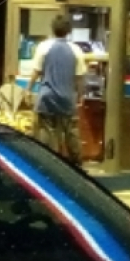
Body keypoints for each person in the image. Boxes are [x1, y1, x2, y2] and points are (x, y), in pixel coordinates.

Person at [26, 15, 86, 164]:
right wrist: (80, 96)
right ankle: (77, 164)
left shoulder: (43, 47)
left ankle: (50, 163)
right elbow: (79, 78)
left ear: (52, 29)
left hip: (47, 98)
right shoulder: (76, 50)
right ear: (69, 31)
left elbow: (36, 72)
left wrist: (28, 90)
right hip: (67, 99)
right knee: (71, 132)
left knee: (47, 133)